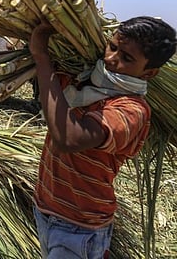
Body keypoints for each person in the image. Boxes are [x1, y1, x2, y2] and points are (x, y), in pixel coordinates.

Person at [29, 16, 176, 259]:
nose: (110, 58)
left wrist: (41, 56)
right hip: (46, 209)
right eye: (112, 46)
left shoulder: (131, 111)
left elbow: (69, 139)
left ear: (149, 73)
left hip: (79, 227)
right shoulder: (84, 82)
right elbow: (51, 88)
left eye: (127, 58)